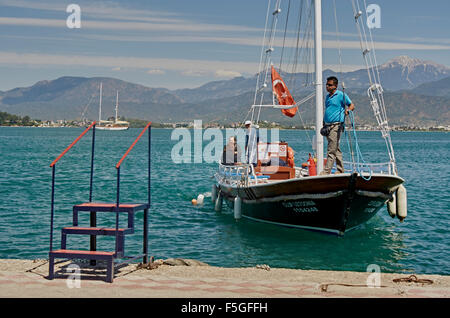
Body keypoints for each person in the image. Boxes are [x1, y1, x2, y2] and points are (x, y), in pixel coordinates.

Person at [320, 76, 355, 175]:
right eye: (326, 84)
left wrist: (348, 110)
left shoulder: (341, 95)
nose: (327, 86)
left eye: (329, 85)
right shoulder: (327, 97)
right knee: (336, 148)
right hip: (327, 126)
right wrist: (324, 123)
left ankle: (326, 171)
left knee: (331, 149)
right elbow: (328, 110)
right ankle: (340, 169)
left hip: (336, 126)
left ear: (335, 86)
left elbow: (352, 105)